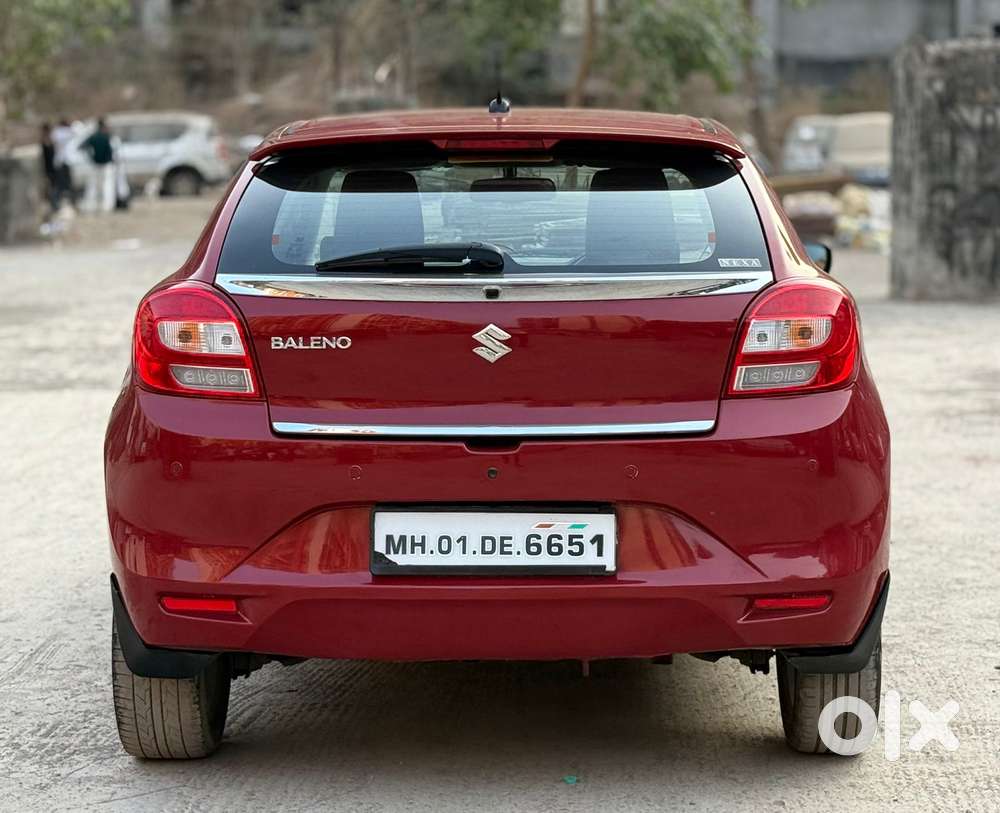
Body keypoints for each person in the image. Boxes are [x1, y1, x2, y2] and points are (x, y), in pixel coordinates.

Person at [81, 118, 116, 213]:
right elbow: (112, 151)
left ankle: (91, 206)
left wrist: (91, 157)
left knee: (93, 186)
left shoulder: (93, 137)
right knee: (107, 185)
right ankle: (107, 206)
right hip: (106, 165)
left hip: (95, 164)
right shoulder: (107, 137)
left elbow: (83, 147)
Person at [51, 118, 75, 209]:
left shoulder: (56, 132)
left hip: (60, 161)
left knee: (61, 184)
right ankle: (63, 203)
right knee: (64, 184)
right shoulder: (63, 132)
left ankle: (62, 203)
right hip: (63, 161)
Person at [39, 123, 58, 214]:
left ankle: (53, 207)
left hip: (51, 170)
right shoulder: (44, 142)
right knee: (48, 190)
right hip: (47, 170)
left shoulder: (49, 142)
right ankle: (51, 207)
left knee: (52, 189)